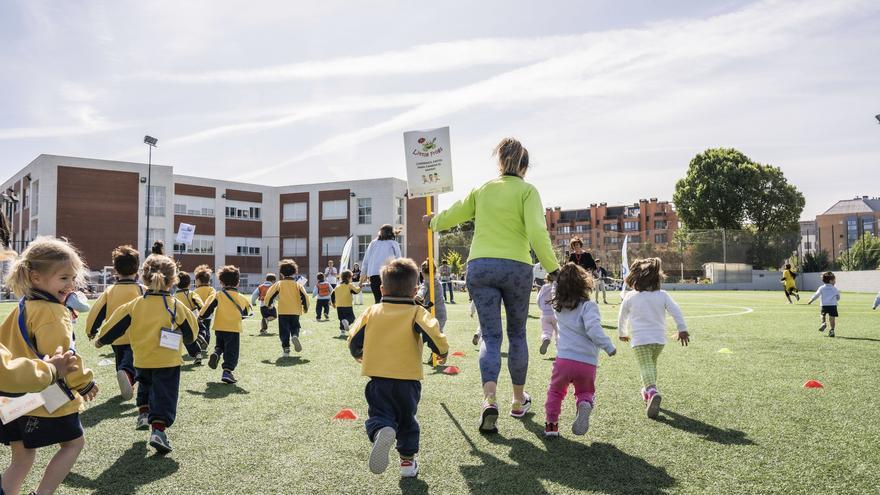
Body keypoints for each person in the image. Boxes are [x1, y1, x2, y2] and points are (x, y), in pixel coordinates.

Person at [425, 137, 559, 432]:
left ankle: (489, 400)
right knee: (518, 335)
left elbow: (453, 215)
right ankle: (517, 400)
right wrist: (554, 269)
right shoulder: (528, 191)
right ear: (524, 166)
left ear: (499, 163)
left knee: (490, 336)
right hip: (516, 268)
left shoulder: (483, 189)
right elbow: (537, 232)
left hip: (480, 266)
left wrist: (433, 222)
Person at [0, 237, 99, 495]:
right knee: (73, 444)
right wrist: (84, 382)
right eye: (64, 278)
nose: (71, 284)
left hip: (11, 398)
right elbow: (62, 358)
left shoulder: (24, 305)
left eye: (73, 277)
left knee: (22, 457)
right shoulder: (53, 312)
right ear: (36, 277)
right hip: (44, 397)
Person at [347, 258, 448, 478]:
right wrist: (442, 352)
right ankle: (407, 464)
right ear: (414, 291)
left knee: (380, 415)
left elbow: (353, 338)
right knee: (407, 421)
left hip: (379, 379)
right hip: (408, 380)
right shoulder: (416, 312)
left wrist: (358, 354)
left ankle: (382, 431)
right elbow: (435, 333)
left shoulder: (371, 311)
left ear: (382, 289)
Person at [95, 254, 198, 454]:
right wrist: (190, 342)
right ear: (173, 279)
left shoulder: (135, 304)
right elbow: (191, 332)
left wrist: (101, 340)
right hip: (167, 360)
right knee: (164, 394)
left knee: (145, 384)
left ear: (144, 278)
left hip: (141, 358)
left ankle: (143, 413)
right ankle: (158, 431)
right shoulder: (175, 305)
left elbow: (115, 324)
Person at [544, 263, 616, 437]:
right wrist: (608, 346)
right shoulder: (588, 306)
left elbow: (555, 289)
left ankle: (551, 426)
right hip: (587, 362)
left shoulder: (558, 307)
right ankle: (584, 403)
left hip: (564, 360)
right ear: (585, 283)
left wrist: (557, 276)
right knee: (585, 392)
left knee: (555, 392)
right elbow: (594, 330)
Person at [617, 258, 689, 419]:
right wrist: (682, 329)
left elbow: (622, 316)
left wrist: (622, 332)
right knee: (651, 366)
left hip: (640, 341)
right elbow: (676, 311)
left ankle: (651, 390)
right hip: (659, 341)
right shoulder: (662, 295)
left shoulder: (630, 296)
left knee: (645, 367)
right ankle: (646, 392)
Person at [86, 245, 145, 400]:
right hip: (137, 335)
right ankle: (128, 376)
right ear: (137, 268)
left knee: (121, 359)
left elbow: (97, 311)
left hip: (115, 336)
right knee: (132, 361)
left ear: (115, 270)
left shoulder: (110, 291)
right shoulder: (142, 290)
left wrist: (91, 330)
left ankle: (126, 379)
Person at [199, 266, 253, 384]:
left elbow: (207, 307)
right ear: (238, 282)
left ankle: (216, 353)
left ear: (221, 282)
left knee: (220, 345)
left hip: (219, 327)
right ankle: (227, 372)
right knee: (232, 351)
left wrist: (201, 317)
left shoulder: (218, 295)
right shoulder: (242, 298)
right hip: (233, 328)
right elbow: (245, 314)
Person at [264, 260, 310, 356]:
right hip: (295, 311)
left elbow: (269, 294)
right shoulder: (298, 284)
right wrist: (306, 307)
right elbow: (305, 296)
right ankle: (294, 335)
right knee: (295, 326)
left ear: (281, 273)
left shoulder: (279, 284)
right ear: (294, 272)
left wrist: (268, 304)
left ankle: (286, 349)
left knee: (284, 330)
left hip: (283, 311)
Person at [360, 225, 402, 304]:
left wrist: (362, 276)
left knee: (378, 300)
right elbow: (399, 260)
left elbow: (366, 260)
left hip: (374, 275)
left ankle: (379, 315)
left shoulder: (373, 243)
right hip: (389, 274)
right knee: (389, 300)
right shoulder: (393, 243)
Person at [175, 272, 208, 365]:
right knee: (202, 329)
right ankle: (200, 336)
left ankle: (197, 354)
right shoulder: (191, 293)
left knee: (188, 339)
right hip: (194, 316)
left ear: (176, 283)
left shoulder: (174, 296)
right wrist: (201, 313)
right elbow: (199, 303)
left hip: (182, 320)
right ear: (189, 283)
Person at [808, 271, 840, 338]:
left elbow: (816, 295)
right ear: (831, 281)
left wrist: (811, 300)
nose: (835, 281)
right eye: (834, 280)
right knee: (832, 319)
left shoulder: (821, 288)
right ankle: (832, 330)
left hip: (824, 305)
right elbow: (838, 297)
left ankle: (823, 323)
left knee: (822, 315)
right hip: (833, 306)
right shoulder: (834, 289)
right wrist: (836, 300)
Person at [416, 261, 446, 330]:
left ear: (422, 273)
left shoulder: (426, 283)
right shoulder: (438, 282)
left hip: (431, 314)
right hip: (442, 313)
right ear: (435, 272)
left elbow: (422, 291)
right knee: (438, 335)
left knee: (429, 336)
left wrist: (418, 296)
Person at [193, 265, 216, 352]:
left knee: (198, 330)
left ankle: (198, 344)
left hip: (197, 315)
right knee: (207, 329)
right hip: (208, 314)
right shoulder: (211, 289)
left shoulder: (194, 291)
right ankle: (205, 345)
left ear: (198, 280)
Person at [331, 270, 360, 337]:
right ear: (348, 278)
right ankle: (347, 322)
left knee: (342, 319)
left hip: (339, 306)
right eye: (351, 277)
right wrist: (360, 287)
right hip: (348, 305)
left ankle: (342, 332)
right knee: (351, 318)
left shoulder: (338, 286)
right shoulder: (349, 285)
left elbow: (332, 294)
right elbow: (356, 291)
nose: (352, 279)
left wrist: (333, 303)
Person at [537, 275, 557, 355]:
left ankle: (546, 338)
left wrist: (541, 307)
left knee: (546, 331)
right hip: (556, 314)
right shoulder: (557, 287)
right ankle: (560, 352)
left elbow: (538, 299)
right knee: (559, 334)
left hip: (545, 314)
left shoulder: (544, 287)